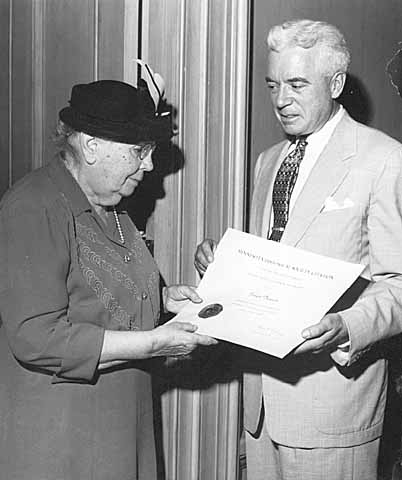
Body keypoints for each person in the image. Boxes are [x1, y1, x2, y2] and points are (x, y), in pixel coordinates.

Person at [195, 19, 402, 480]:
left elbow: (399, 284)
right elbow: (276, 254)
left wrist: (345, 326)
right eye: (272, 84)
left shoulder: (384, 159)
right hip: (262, 406)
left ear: (336, 83)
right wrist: (224, 264)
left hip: (332, 407)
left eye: (296, 84)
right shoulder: (269, 161)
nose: (280, 100)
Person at [0, 74, 217, 480]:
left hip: (120, 420)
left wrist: (164, 298)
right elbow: (35, 336)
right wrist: (153, 343)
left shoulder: (112, 206)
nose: (150, 165)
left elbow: (95, 287)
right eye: (139, 151)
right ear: (91, 146)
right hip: (60, 433)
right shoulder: (33, 206)